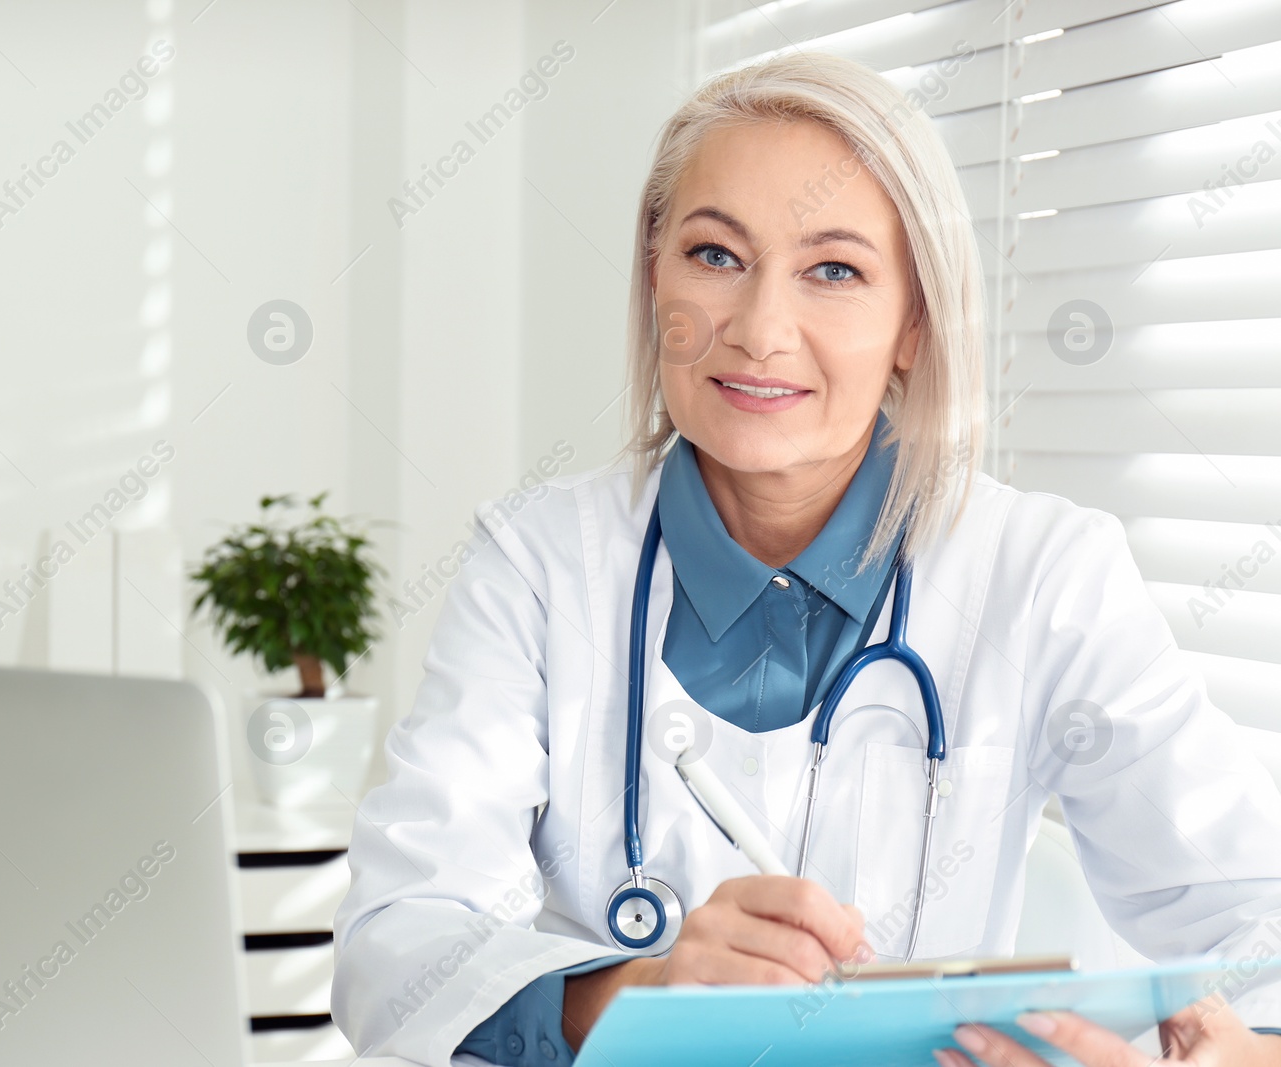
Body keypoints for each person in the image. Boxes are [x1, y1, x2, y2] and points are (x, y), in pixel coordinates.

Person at [332, 49, 1281, 1066]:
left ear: (913, 321)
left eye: (834, 269)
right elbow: (393, 950)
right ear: (655, 276)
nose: (758, 328)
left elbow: (1255, 917)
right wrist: (637, 992)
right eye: (714, 254)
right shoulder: (538, 563)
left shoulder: (1042, 573)